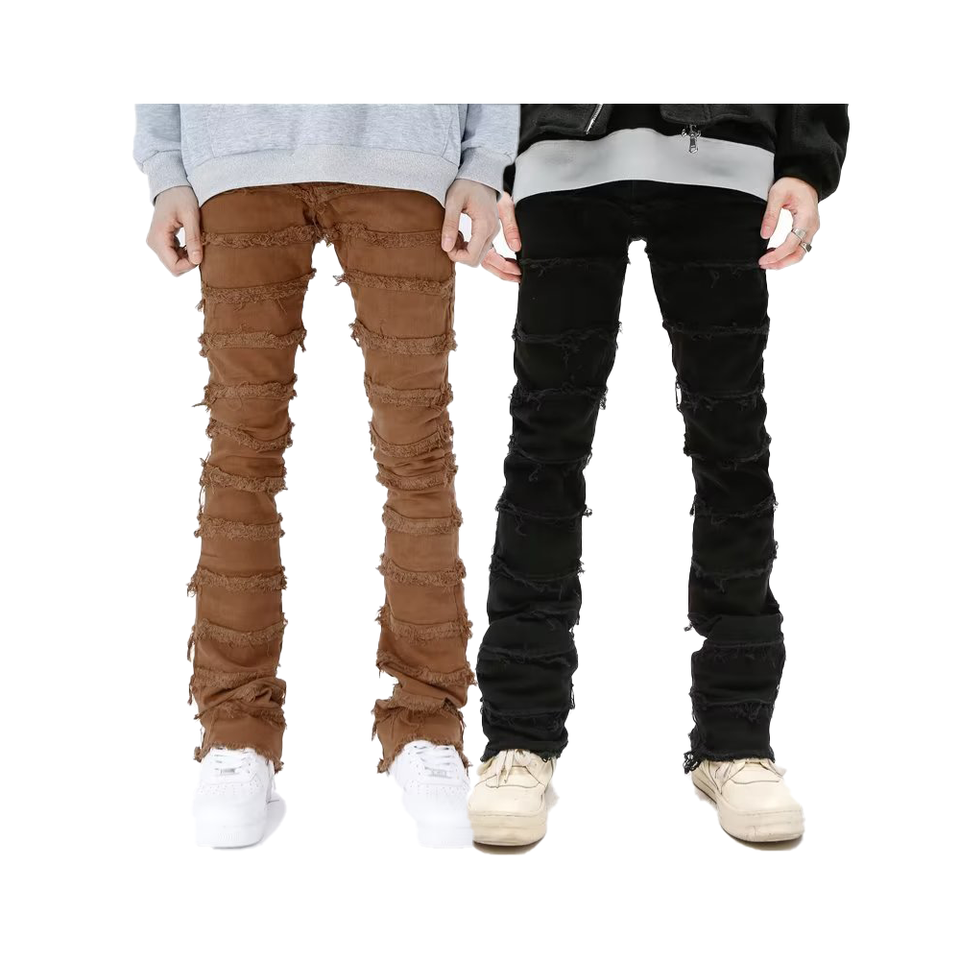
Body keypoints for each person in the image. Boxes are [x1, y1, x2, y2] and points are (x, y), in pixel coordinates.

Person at [134, 104, 519, 848]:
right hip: (237, 149)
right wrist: (164, 166)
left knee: (418, 456)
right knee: (240, 457)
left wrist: (483, 162)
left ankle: (427, 724)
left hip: (407, 150)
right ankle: (235, 731)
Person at [467, 104, 849, 845]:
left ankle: (736, 740)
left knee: (733, 451)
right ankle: (517, 739)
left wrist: (806, 160)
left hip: (724, 155)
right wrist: (486, 165)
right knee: (543, 455)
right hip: (558, 157)